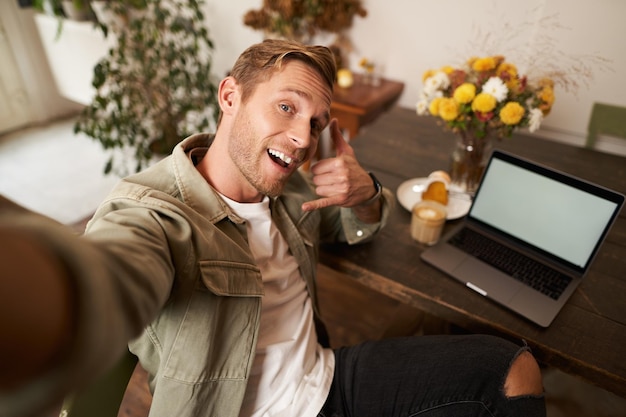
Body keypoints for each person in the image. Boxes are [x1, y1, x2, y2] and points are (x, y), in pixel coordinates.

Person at [0, 39, 546, 417]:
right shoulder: (155, 214)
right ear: (230, 97)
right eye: (285, 107)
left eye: (315, 122)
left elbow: (354, 226)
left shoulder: (289, 189)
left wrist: (366, 193)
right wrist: (45, 289)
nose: (304, 136)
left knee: (514, 368)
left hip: (328, 380)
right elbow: (114, 273)